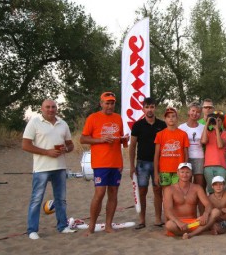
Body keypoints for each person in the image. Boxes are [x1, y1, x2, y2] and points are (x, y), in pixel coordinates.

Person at [22, 99, 76, 239]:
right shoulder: (34, 122)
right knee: (36, 199)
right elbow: (26, 145)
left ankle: (62, 226)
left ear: (56, 108)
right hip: (41, 168)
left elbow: (70, 145)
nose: (51, 109)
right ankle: (32, 230)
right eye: (47, 107)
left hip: (60, 167)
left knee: (61, 199)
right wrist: (47, 152)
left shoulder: (63, 123)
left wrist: (66, 149)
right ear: (42, 108)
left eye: (53, 107)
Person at [80, 92, 129, 236]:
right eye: (107, 103)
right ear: (101, 103)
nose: (110, 106)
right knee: (100, 193)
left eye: (112, 103)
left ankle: (108, 225)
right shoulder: (93, 118)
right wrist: (100, 140)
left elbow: (120, 140)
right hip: (100, 163)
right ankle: (91, 227)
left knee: (113, 193)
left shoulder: (118, 118)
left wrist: (124, 139)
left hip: (116, 162)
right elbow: (83, 139)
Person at [130, 97, 167, 228]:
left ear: (155, 108)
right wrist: (131, 166)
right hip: (142, 163)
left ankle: (158, 219)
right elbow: (132, 146)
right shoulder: (137, 125)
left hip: (159, 163)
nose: (149, 109)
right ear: (143, 109)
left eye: (152, 107)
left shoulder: (162, 125)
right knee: (142, 191)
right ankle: (142, 220)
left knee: (158, 190)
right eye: (147, 107)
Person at [163, 162, 217, 239]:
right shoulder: (169, 189)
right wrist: (178, 222)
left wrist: (205, 214)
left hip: (194, 223)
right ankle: (199, 231)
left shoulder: (197, 188)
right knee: (169, 225)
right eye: (182, 172)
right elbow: (167, 210)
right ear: (177, 173)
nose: (185, 175)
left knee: (215, 212)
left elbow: (208, 204)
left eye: (187, 172)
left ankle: (191, 234)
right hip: (178, 224)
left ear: (191, 173)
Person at [154, 107, 190, 188]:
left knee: (178, 192)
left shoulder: (183, 134)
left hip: (179, 170)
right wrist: (156, 173)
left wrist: (185, 170)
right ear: (165, 119)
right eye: (168, 117)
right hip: (164, 170)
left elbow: (186, 154)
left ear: (177, 118)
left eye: (173, 116)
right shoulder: (160, 134)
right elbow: (156, 155)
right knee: (166, 192)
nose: (171, 118)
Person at [178, 102, 206, 194]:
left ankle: (199, 202)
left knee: (199, 184)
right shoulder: (181, 127)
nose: (195, 113)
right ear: (189, 111)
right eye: (193, 111)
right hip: (186, 157)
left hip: (199, 157)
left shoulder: (203, 127)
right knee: (186, 183)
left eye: (198, 112)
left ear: (200, 114)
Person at [201, 110, 226, 193]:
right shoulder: (208, 133)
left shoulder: (225, 133)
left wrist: (216, 129)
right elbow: (203, 141)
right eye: (215, 120)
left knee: (221, 190)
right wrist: (207, 124)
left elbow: (220, 145)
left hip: (221, 165)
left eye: (219, 120)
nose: (217, 122)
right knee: (211, 190)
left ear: (222, 122)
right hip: (208, 166)